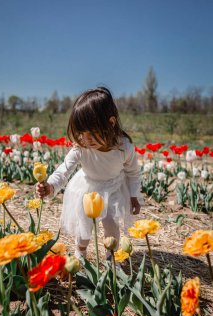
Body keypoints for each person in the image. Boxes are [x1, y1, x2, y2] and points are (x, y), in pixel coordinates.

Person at [36, 87, 141, 259]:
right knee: (84, 224)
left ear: (111, 123)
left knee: (111, 223)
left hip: (114, 187)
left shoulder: (124, 148)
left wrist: (134, 195)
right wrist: (51, 186)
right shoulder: (81, 148)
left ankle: (111, 257)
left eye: (91, 133)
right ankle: (80, 252)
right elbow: (64, 170)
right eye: (81, 133)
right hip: (88, 188)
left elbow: (133, 172)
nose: (86, 139)